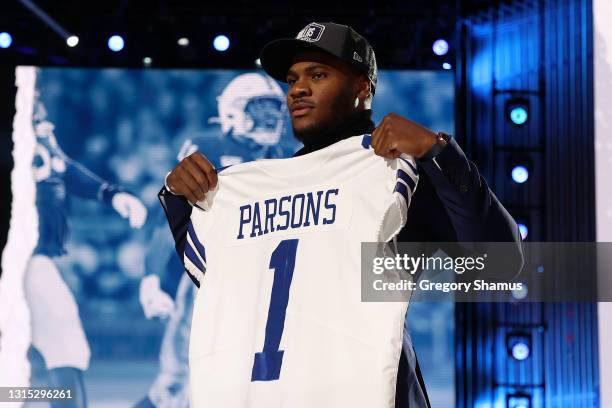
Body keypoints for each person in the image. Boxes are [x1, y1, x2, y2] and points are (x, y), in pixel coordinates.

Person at [159, 22, 523, 407]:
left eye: (318, 74)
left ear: (362, 87)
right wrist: (178, 199)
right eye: (292, 78)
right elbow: (221, 281)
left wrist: (439, 152)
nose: (297, 89)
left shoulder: (395, 170)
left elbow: (501, 262)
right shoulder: (253, 188)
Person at [135, 72, 298, 408]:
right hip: (211, 278)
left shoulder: (288, 153)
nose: (270, 117)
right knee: (177, 382)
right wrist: (152, 277)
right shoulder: (207, 147)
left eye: (273, 109)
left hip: (270, 281)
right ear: (233, 111)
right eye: (260, 109)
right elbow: (172, 214)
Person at [25, 97, 147, 408]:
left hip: (33, 257)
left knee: (64, 343)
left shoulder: (36, 133)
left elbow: (60, 167)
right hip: (16, 256)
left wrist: (110, 194)